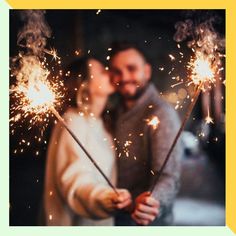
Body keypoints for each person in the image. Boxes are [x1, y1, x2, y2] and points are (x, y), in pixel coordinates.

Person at [43, 56, 131, 226]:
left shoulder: (101, 123)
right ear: (84, 85)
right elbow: (75, 179)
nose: (110, 73)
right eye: (102, 71)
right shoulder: (73, 121)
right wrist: (106, 198)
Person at [109, 42, 183, 226]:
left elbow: (169, 176)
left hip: (148, 222)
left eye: (131, 68)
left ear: (147, 71)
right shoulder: (113, 111)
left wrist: (153, 200)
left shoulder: (161, 114)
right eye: (117, 71)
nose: (124, 77)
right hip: (114, 218)